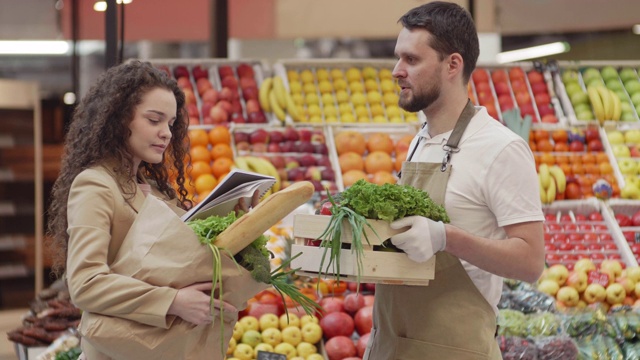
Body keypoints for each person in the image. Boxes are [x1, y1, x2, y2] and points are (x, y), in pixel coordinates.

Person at [363, 2, 544, 359]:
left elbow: (531, 262)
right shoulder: (421, 140)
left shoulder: (500, 148)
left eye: (411, 60)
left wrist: (446, 237)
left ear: (453, 65)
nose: (397, 71)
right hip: (391, 346)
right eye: (398, 58)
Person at [47, 60, 257, 359]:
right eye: (154, 120)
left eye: (171, 124)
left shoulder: (155, 190)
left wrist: (238, 217)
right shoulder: (95, 185)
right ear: (119, 119)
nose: (167, 133)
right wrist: (173, 301)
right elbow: (85, 284)